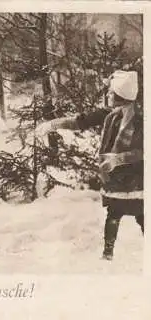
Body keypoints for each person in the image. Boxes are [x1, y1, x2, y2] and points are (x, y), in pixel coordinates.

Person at [35, 70, 144, 261]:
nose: (108, 95)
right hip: (115, 179)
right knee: (114, 213)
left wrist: (118, 159)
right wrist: (53, 124)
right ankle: (107, 254)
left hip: (136, 178)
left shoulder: (139, 119)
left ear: (120, 95)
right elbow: (79, 122)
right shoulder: (107, 115)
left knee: (142, 214)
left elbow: (143, 151)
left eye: (111, 92)